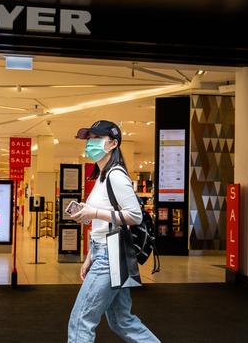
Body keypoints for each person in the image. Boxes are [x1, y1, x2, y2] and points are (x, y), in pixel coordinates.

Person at [68, 120, 160, 343]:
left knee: (81, 320)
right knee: (121, 320)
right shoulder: (101, 177)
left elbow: (134, 216)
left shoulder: (116, 175)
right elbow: (105, 224)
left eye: (96, 139)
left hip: (110, 256)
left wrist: (94, 212)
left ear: (112, 144)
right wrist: (90, 256)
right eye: (89, 139)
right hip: (106, 251)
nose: (90, 144)